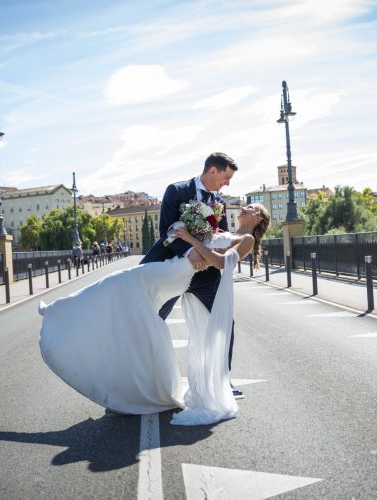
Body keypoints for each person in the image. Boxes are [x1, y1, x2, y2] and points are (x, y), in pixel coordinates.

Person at [38, 203, 270, 425]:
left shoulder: (246, 240)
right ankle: (63, 311)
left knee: (119, 283)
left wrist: (190, 239)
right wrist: (194, 240)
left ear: (258, 218)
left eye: (250, 208)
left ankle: (60, 311)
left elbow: (219, 263)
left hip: (177, 274)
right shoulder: (224, 232)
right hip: (175, 270)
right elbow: (206, 254)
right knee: (117, 287)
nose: (243, 208)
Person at [140, 153, 245, 398]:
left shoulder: (220, 200)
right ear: (212, 171)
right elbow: (166, 229)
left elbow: (223, 233)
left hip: (205, 274)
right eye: (226, 177)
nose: (227, 183)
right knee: (152, 320)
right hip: (173, 269)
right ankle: (139, 382)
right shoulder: (176, 191)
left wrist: (220, 250)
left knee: (224, 321)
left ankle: (223, 380)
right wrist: (189, 253)